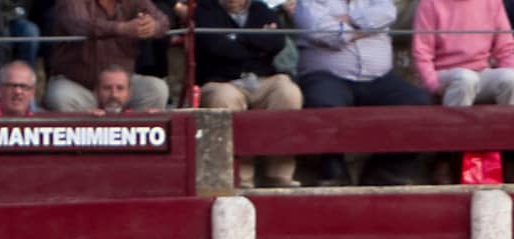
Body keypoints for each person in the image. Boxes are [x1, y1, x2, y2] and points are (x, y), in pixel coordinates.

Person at [294, 0, 431, 185]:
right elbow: (326, 34)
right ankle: (333, 171)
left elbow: (388, 14)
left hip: (379, 77)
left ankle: (386, 170)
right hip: (327, 76)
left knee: (417, 102)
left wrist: (347, 22)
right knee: (324, 103)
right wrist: (369, 28)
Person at [195, 0, 304, 188]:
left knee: (288, 91)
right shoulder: (205, 11)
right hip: (221, 80)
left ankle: (278, 174)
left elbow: (277, 42)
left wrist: (236, 39)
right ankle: (242, 177)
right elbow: (215, 47)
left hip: (261, 78)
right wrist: (258, 41)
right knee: (224, 98)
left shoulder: (260, 8)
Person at [45, 0, 170, 112]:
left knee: (157, 90)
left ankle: (131, 134)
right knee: (59, 96)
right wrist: (122, 28)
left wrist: (152, 26)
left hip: (122, 87)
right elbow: (79, 24)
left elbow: (163, 21)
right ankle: (88, 136)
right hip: (80, 86)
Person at [411, 0, 514, 107]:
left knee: (511, 78)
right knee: (466, 79)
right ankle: (454, 126)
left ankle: (508, 126)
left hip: (481, 72)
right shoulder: (430, 3)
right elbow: (422, 51)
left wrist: (511, 70)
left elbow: (505, 47)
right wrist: (434, 86)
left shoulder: (492, 2)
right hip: (444, 74)